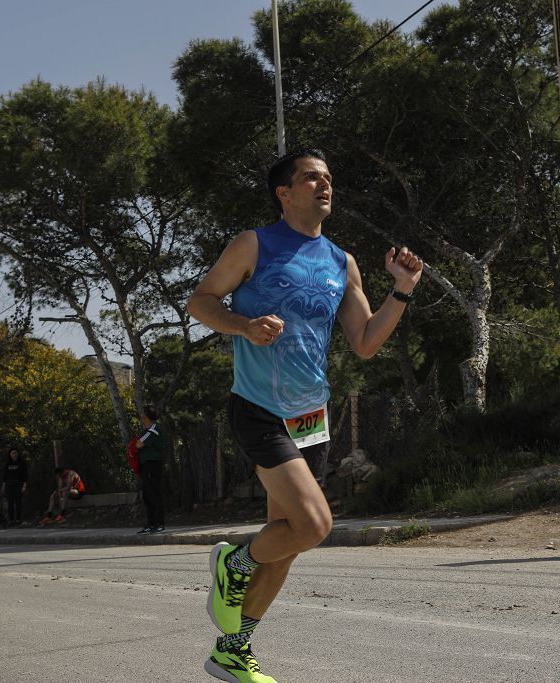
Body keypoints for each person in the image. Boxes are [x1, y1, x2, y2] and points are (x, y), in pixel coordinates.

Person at [187, 148, 423, 682]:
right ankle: (235, 562)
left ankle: (233, 648)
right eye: (311, 177)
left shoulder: (342, 262)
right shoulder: (255, 243)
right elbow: (201, 301)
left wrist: (402, 291)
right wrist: (242, 326)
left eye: (329, 178)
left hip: (311, 413)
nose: (324, 185)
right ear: (284, 192)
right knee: (314, 525)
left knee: (288, 537)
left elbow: (364, 342)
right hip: (258, 405)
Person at [135, 406, 167, 534]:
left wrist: (138, 443)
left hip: (152, 465)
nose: (142, 417)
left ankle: (159, 523)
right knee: (147, 495)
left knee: (154, 493)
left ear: (147, 417)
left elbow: (139, 444)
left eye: (143, 415)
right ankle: (150, 523)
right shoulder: (147, 430)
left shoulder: (154, 430)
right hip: (146, 465)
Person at [1, 448, 27, 526]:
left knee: (18, 502)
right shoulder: (7, 464)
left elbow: (25, 476)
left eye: (15, 453)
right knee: (10, 503)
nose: (14, 455)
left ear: (18, 454)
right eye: (12, 453)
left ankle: (18, 519)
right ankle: (11, 520)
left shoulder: (21, 463)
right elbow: (4, 477)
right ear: (10, 454)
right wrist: (3, 487)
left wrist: (24, 486)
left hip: (18, 485)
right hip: (9, 485)